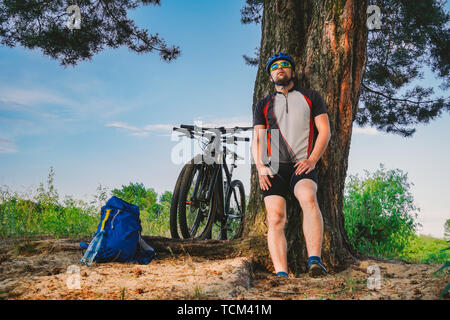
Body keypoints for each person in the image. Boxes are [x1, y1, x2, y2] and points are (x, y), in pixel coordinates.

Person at [252, 52, 331, 278]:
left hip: (301, 164)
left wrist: (313, 159)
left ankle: (315, 261)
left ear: (292, 72)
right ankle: (282, 274)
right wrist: (259, 167)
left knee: (308, 198)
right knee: (275, 217)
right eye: (274, 67)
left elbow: (324, 131)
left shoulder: (310, 96)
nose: (280, 68)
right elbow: (257, 139)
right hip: (273, 167)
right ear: (270, 77)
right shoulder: (263, 104)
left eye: (285, 65)